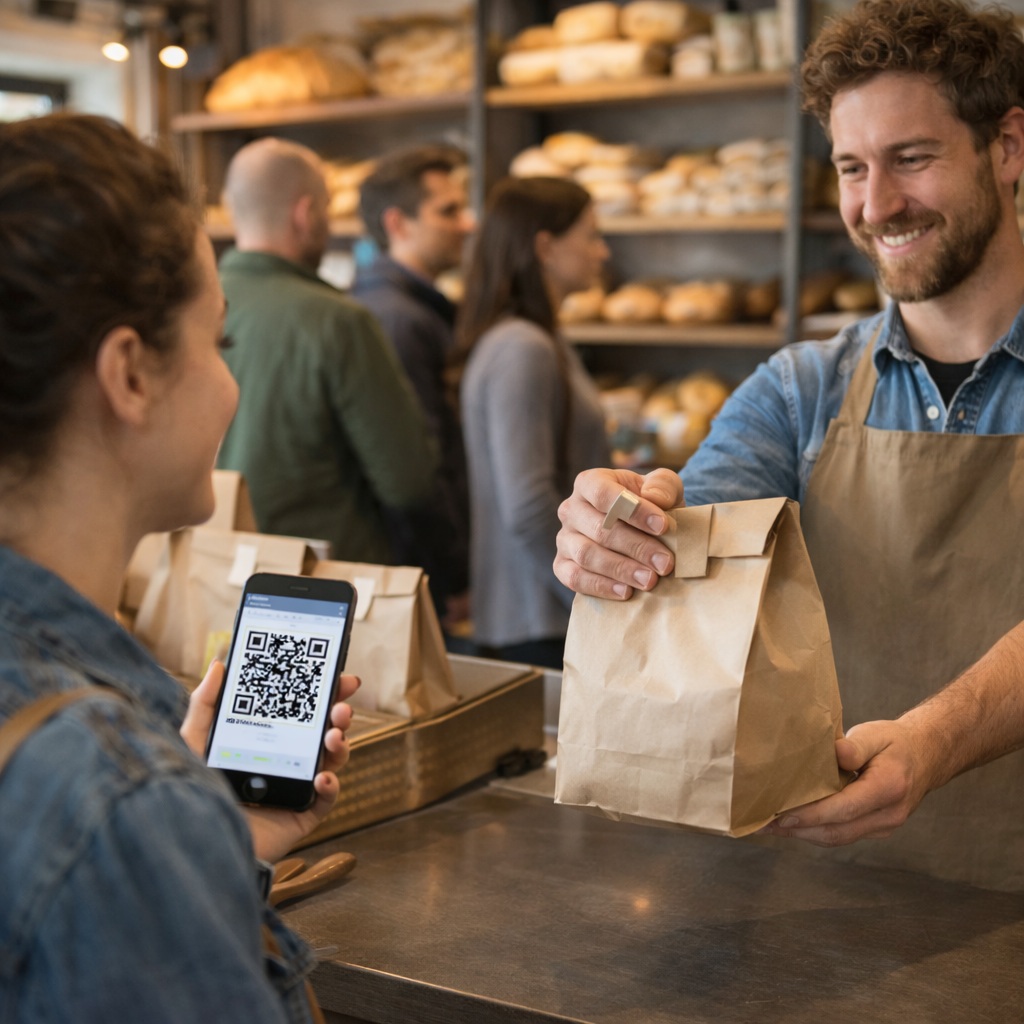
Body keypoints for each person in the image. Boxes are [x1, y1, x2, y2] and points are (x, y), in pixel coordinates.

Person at [553, 0, 1024, 891]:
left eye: (911, 159)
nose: (875, 205)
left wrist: (932, 743)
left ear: (1007, 147)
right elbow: (696, 530)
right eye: (851, 167)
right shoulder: (800, 389)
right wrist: (622, 528)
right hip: (829, 891)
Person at [0, 113, 358, 1020]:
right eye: (217, 342)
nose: (230, 384)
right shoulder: (115, 799)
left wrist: (216, 848)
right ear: (130, 375)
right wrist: (163, 827)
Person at [215, 137, 438, 564]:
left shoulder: (183, 308)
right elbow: (408, 481)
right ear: (305, 213)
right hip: (322, 587)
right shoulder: (338, 321)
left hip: (213, 569)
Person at [457, 176, 611, 670]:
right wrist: (593, 595)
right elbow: (527, 506)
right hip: (539, 617)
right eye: (590, 235)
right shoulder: (523, 347)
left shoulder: (535, 339)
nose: (601, 251)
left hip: (537, 612)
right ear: (545, 245)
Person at [352, 145, 474, 630]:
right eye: (448, 211)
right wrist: (453, 575)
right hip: (422, 575)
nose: (466, 224)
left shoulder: (414, 309)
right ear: (398, 223)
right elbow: (421, 466)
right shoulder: (398, 320)